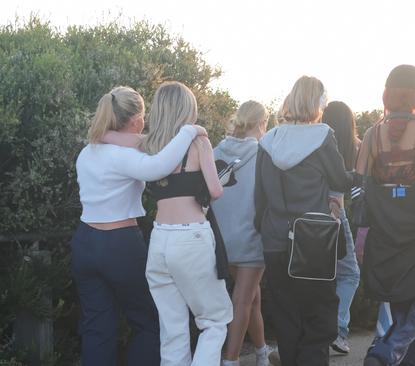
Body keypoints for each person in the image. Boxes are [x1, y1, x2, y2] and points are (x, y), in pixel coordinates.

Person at [72, 85, 206, 366]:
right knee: (149, 322)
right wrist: (189, 131)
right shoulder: (124, 157)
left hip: (85, 243)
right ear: (136, 120)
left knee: (97, 327)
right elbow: (160, 166)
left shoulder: (88, 152)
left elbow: (140, 143)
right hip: (119, 244)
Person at [254, 76, 353, 365]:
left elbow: (259, 197)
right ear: (317, 101)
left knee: (286, 316)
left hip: (275, 239)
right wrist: (362, 176)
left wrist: (265, 227)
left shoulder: (268, 141)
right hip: (313, 240)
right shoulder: (322, 137)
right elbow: (339, 179)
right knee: (319, 315)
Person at [356, 65, 415, 366]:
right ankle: (384, 352)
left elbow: (359, 188)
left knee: (398, 305)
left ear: (387, 95)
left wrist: (365, 231)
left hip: (383, 234)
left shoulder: (372, 136)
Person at [142, 82, 233, 365]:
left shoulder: (149, 143)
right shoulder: (198, 142)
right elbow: (215, 191)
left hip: (159, 242)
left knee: (173, 329)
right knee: (215, 321)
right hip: (191, 238)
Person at [212, 101, 276, 366]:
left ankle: (261, 352)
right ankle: (231, 360)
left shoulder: (216, 150)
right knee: (242, 301)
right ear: (262, 124)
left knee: (252, 297)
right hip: (251, 237)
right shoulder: (264, 153)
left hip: (221, 240)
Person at [322, 101, 361, 355]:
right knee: (350, 274)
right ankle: (337, 330)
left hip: (308, 211)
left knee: (317, 275)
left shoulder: (317, 141)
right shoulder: (354, 147)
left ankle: (317, 331)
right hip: (337, 211)